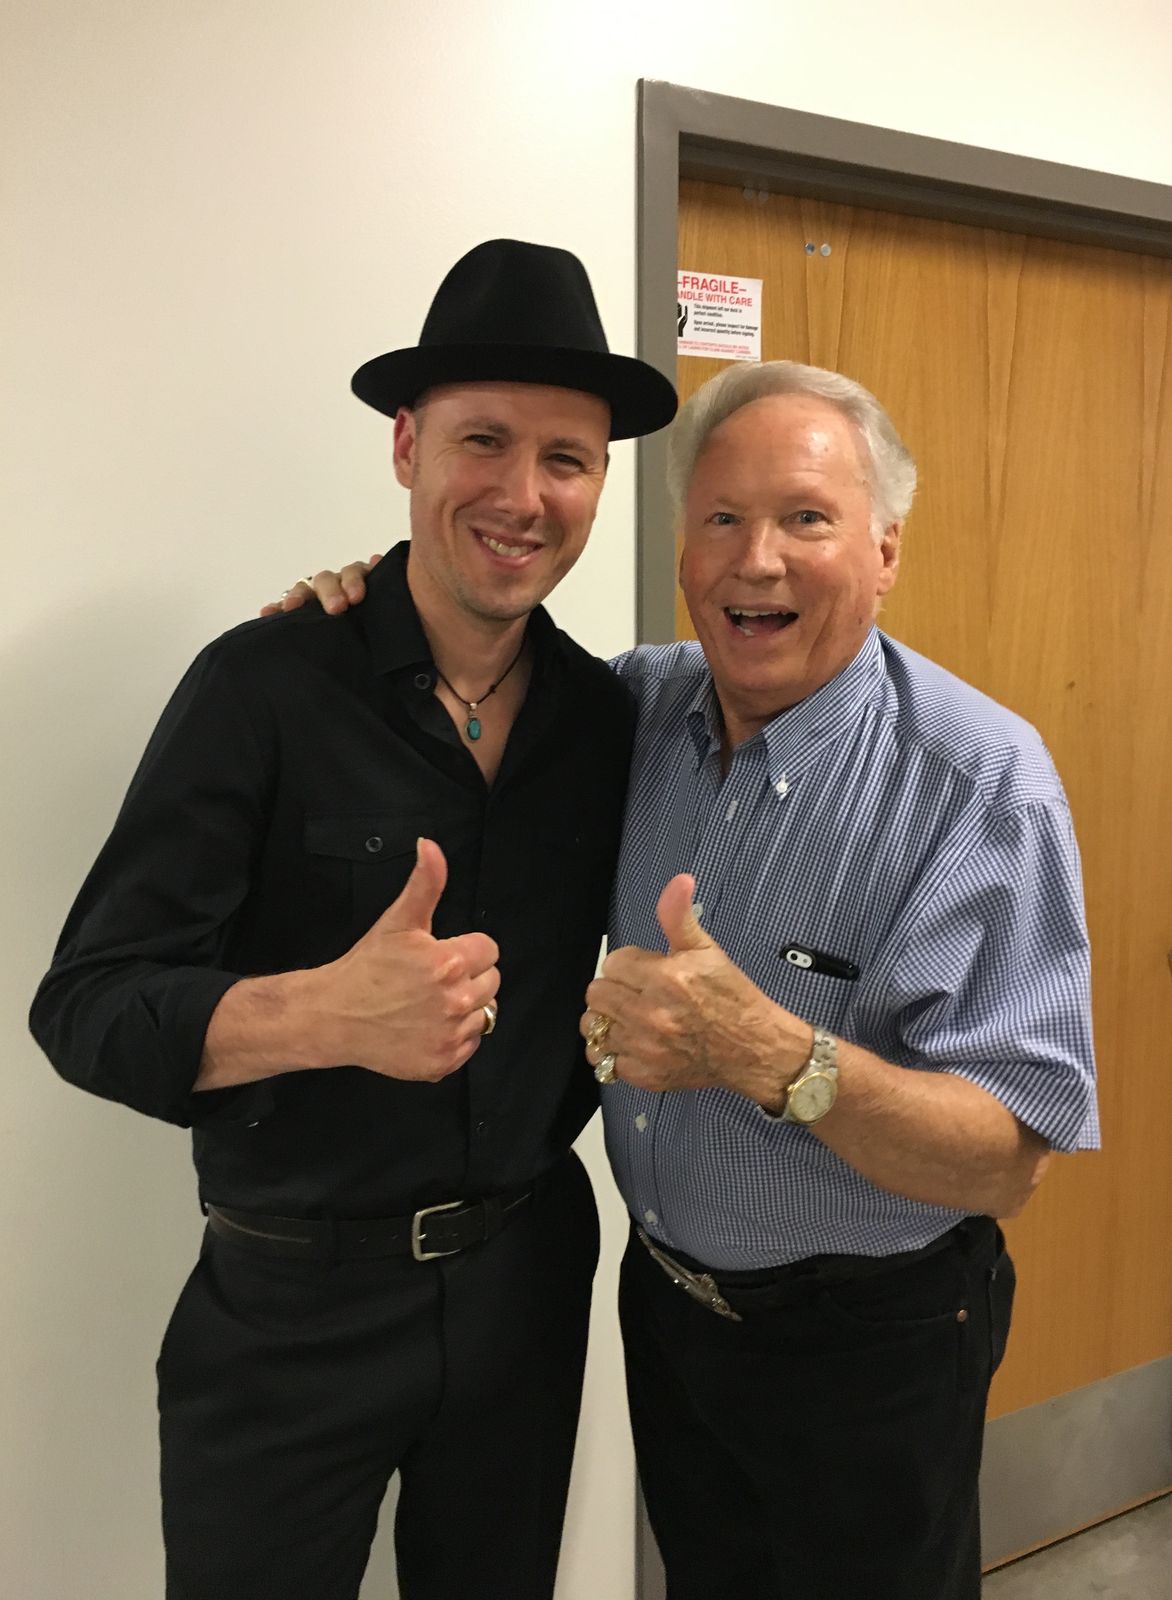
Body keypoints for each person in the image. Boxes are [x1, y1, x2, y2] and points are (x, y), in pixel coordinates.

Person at [290, 359, 1098, 1600]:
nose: (755, 560)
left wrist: (771, 1056)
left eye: (806, 518)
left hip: (869, 1342)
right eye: (722, 517)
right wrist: (354, 615)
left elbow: (1007, 1161)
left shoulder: (981, 782)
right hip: (666, 1308)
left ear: (884, 548)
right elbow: (464, 663)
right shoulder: (633, 708)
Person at [29, 238, 677, 1600]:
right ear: (405, 446)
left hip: (524, 1284)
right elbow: (86, 1006)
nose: (522, 494)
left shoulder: (608, 719)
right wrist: (318, 1013)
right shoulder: (262, 688)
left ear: (600, 484)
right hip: (288, 1315)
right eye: (483, 441)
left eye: (566, 458)